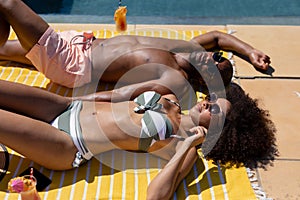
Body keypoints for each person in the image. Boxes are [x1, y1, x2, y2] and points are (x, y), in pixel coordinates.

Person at [0, 79, 277, 199]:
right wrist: (70, 100)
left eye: (216, 111)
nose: (208, 103)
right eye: (214, 100)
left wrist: (186, 147)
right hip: (65, 108)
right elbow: (115, 96)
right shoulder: (167, 95)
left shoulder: (184, 146)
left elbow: (155, 196)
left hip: (68, 142)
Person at [0, 0, 271, 102]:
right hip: (76, 43)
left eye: (215, 64)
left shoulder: (174, 77)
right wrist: (251, 51)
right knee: (2, 50)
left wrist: (75, 103)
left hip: (70, 63)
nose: (212, 55)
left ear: (203, 78)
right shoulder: (184, 50)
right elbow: (217, 37)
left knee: (8, 4)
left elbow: (123, 94)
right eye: (217, 56)